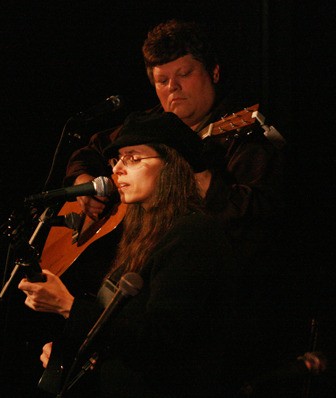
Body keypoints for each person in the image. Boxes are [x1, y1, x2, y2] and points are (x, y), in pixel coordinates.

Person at [19, 18, 290, 395]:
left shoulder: (238, 142)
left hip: (225, 321)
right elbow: (91, 150)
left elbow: (260, 216)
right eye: (163, 81)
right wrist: (86, 186)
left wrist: (196, 171)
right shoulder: (150, 127)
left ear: (213, 72)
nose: (173, 89)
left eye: (184, 75)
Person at [32, 111, 241, 397]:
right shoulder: (142, 236)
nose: (117, 169)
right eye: (117, 159)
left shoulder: (193, 234)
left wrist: (69, 306)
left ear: (171, 166)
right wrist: (73, 349)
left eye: (133, 158)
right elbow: (123, 329)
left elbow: (159, 341)